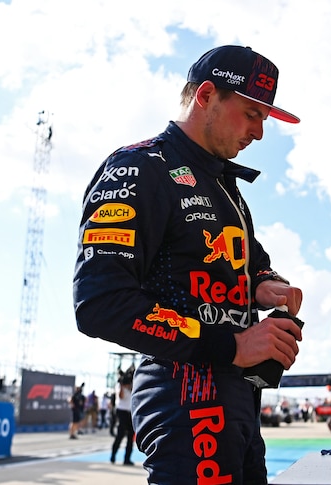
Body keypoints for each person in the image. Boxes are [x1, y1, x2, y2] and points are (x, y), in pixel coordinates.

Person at [73, 44, 303, 484]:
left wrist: (266, 285)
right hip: (186, 400)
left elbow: (252, 261)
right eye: (252, 114)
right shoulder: (138, 168)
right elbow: (100, 304)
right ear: (206, 96)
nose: (258, 133)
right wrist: (233, 346)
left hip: (239, 399)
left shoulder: (224, 184)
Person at [110, 370, 135, 466]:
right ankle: (113, 455)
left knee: (130, 437)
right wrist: (122, 386)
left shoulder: (132, 386)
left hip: (130, 412)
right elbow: (121, 396)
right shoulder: (119, 386)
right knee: (120, 435)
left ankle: (127, 459)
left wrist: (130, 386)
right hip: (121, 411)